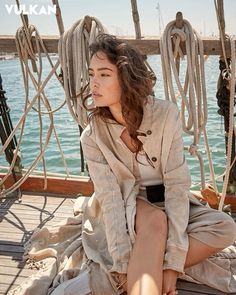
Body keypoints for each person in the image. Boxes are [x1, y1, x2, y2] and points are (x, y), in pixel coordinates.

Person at [79, 33, 236, 295]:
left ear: (126, 78)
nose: (93, 82)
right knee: (154, 220)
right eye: (91, 73)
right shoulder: (92, 135)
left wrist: (171, 267)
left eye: (104, 74)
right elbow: (111, 200)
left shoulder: (166, 115)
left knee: (225, 227)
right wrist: (121, 263)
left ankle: (147, 270)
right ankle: (140, 276)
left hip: (169, 199)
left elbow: (176, 185)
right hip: (127, 204)